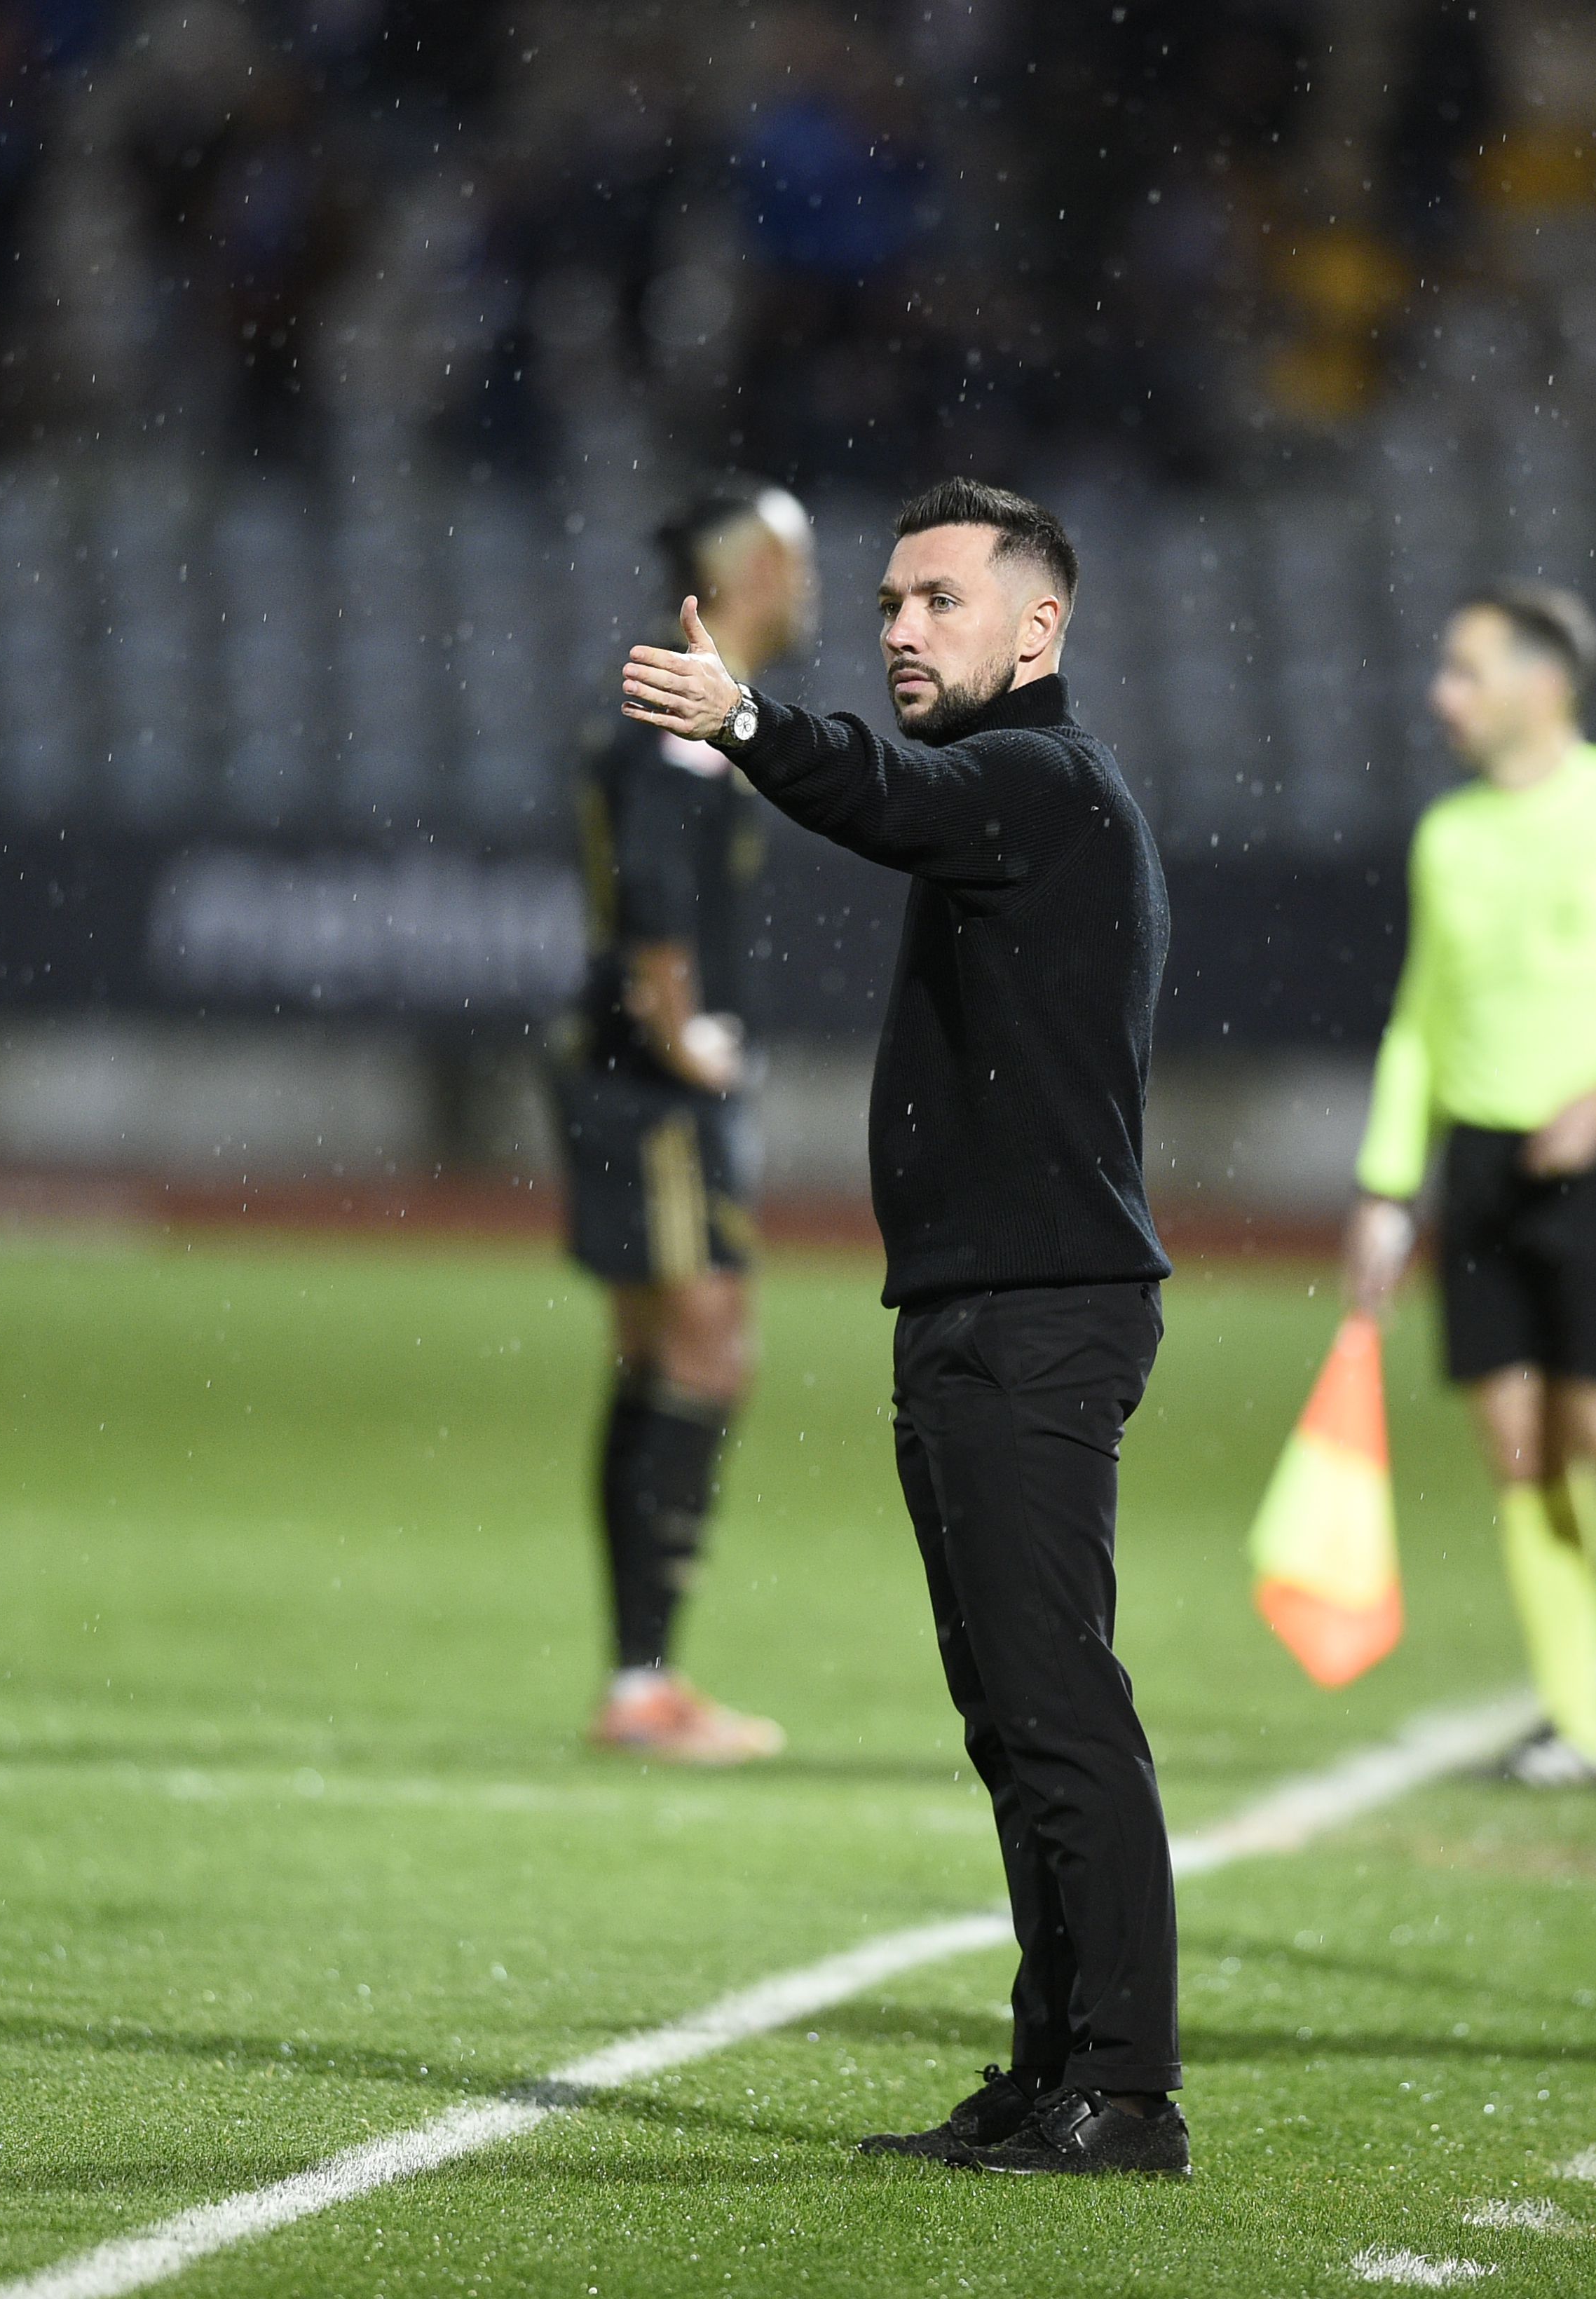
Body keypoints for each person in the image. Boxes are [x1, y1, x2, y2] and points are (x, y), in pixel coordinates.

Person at [621, 477, 1187, 2178]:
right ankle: (1052, 2066)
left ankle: (1130, 2090)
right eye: (887, 602)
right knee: (1013, 1710)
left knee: (1059, 1705)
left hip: (1033, 1317)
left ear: (1040, 627)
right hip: (973, 1310)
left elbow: (880, 791)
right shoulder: (1009, 799)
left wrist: (744, 719)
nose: (898, 628)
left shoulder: (1040, 779)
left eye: (939, 600)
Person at [1342, 584, 1596, 1797]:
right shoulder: (1447, 836)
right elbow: (1421, 1017)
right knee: (1517, 1451)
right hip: (1478, 1169)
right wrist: (1384, 1184)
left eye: (1464, 672)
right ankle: (1578, 1724)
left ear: (1543, 685)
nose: (1438, 696)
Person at [561, 479, 818, 1766]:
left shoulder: (683, 707)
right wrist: (686, 1036)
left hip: (621, 1081)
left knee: (655, 1362)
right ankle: (644, 1682)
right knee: (706, 1357)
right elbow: (654, 891)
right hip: (652, 1092)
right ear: (758, 572)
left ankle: (637, 1676)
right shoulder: (682, 719)